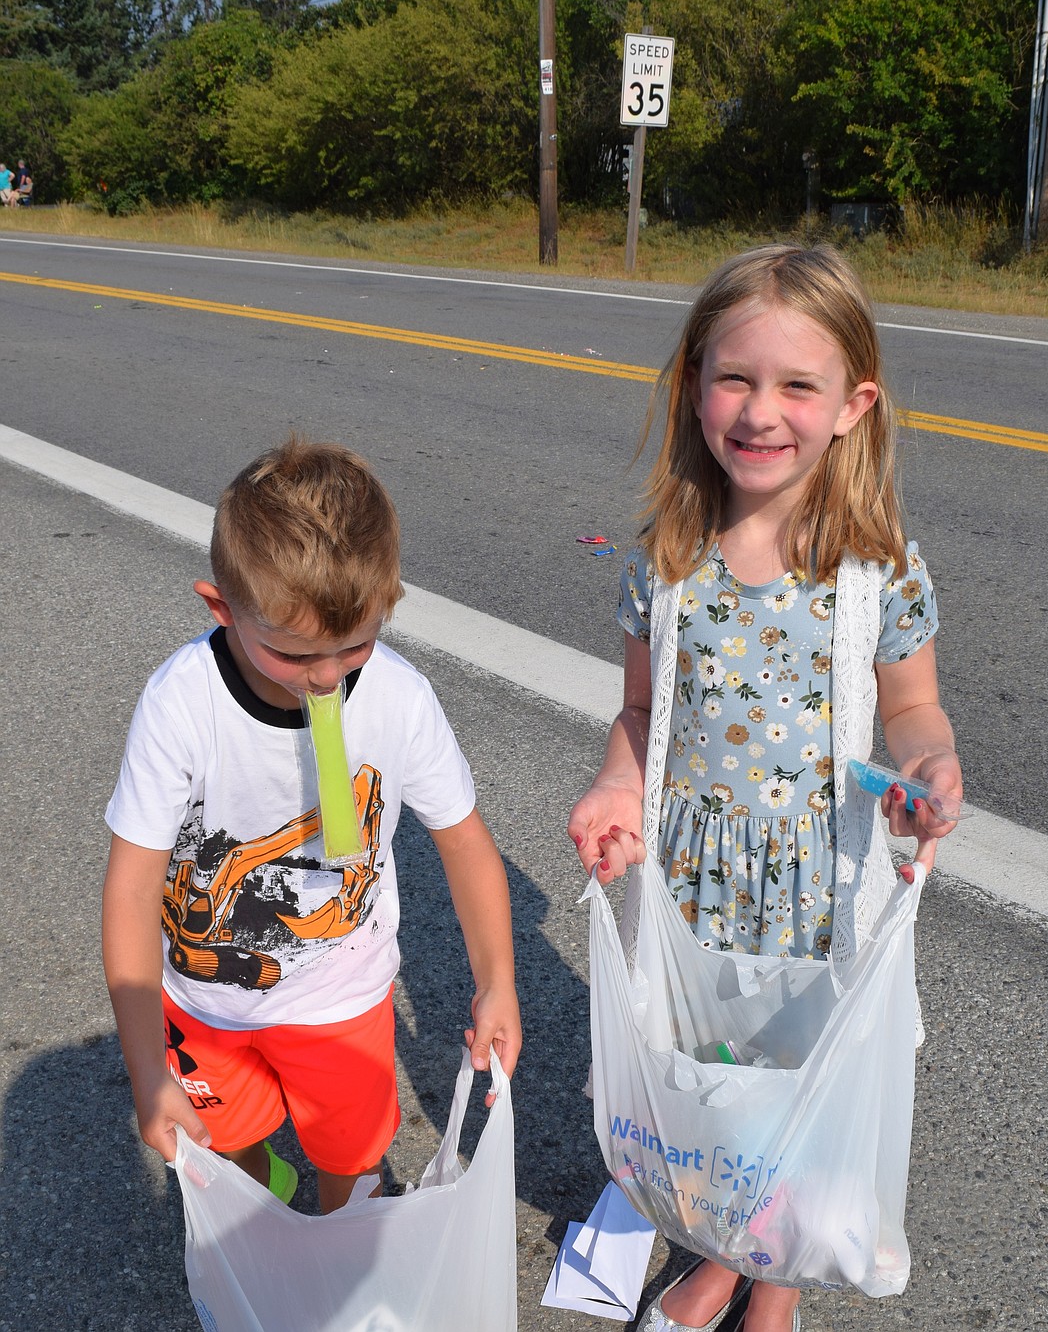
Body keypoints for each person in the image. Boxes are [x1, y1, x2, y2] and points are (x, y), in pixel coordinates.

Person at [567, 244, 962, 1332]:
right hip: (698, 879)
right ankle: (716, 1250)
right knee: (708, 1079)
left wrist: (930, 764)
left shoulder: (880, 568)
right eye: (735, 378)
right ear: (694, 382)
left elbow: (915, 710)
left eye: (798, 385)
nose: (759, 411)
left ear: (852, 405)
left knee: (805, 1081)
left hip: (820, 882)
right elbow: (643, 714)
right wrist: (614, 781)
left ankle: (775, 1278)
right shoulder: (666, 559)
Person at [103, 437, 521, 1215]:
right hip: (205, 999)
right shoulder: (181, 703)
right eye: (294, 654)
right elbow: (130, 888)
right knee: (227, 1149)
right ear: (221, 608)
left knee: (353, 1162)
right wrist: (147, 1072)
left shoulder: (397, 697)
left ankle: (339, 1259)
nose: (328, 676)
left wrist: (497, 981)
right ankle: (264, 1208)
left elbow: (464, 841)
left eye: (356, 643)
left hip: (340, 992)